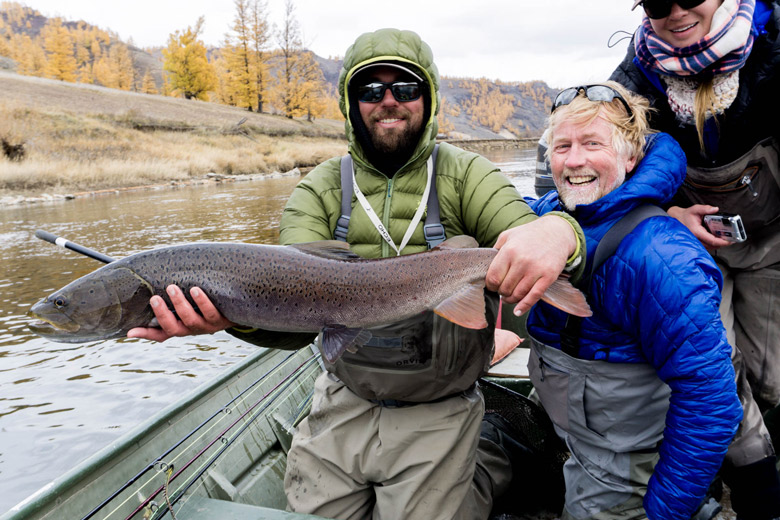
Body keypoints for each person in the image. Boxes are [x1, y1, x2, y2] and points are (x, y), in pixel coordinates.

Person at [128, 28, 587, 520]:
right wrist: (232, 319)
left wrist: (560, 233)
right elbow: (293, 313)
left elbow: (528, 235)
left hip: (439, 404)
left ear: (427, 99)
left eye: (405, 88)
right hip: (342, 397)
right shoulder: (319, 189)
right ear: (352, 103)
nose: (388, 101)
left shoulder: (468, 175)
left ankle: (489, 459)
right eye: (371, 90)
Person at [525, 82, 743, 520]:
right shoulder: (552, 210)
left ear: (631, 157)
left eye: (592, 144)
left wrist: (666, 510)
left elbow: (710, 403)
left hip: (620, 467)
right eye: (562, 145)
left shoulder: (662, 257)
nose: (574, 160)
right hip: (577, 432)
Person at [610, 0, 780, 517]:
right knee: (717, 373)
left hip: (773, 243)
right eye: (658, 2)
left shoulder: (772, 52)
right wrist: (665, 214)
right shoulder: (632, 80)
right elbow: (614, 173)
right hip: (690, 249)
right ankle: (756, 492)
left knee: (771, 377)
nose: (676, 13)